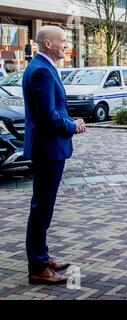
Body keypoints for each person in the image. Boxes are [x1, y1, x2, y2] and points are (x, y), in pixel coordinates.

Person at [22, 26, 86, 285]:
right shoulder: (41, 71)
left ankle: (42, 256)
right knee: (42, 208)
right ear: (47, 43)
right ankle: (38, 267)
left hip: (48, 148)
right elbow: (48, 116)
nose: (66, 45)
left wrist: (70, 120)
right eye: (63, 41)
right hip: (48, 149)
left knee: (43, 207)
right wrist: (73, 126)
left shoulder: (42, 67)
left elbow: (52, 109)